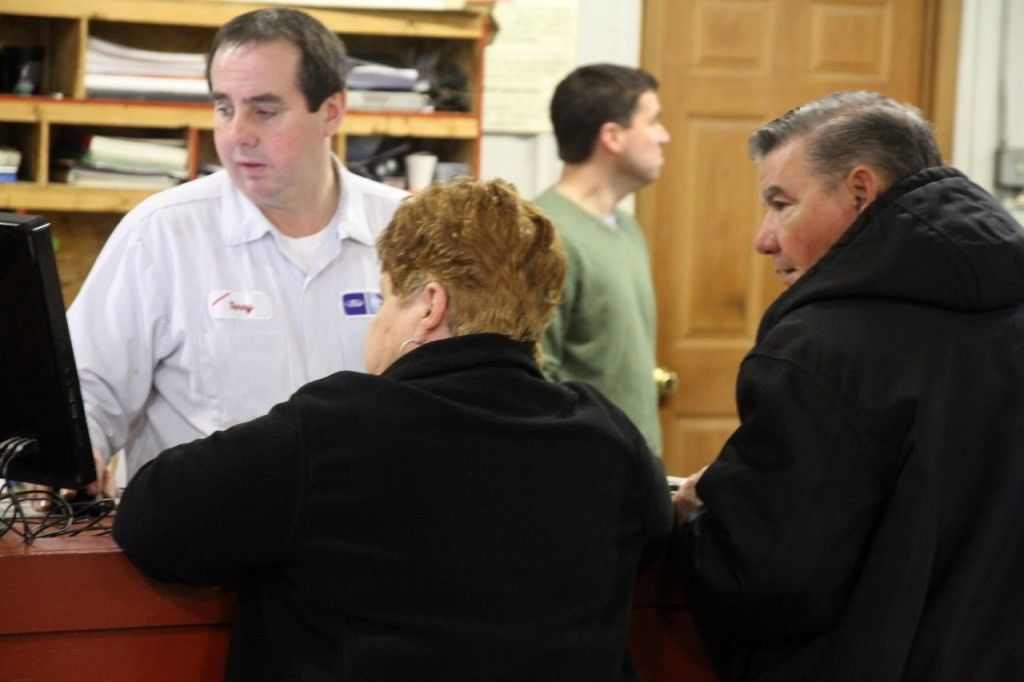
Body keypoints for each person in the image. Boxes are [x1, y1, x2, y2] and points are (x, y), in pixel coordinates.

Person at [112, 177, 674, 680]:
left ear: (430, 305)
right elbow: (652, 539)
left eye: (384, 300)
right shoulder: (607, 438)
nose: (375, 324)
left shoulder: (337, 429)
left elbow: (152, 518)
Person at [671, 91, 1024, 680]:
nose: (764, 238)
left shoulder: (823, 349)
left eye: (781, 204)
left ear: (861, 191)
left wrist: (704, 515)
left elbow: (766, 580)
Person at [66, 8, 407, 485]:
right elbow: (87, 391)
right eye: (224, 108)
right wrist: (74, 464)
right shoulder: (161, 232)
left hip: (361, 543)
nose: (237, 134)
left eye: (264, 111)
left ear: (331, 110)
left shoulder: (407, 229)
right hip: (195, 547)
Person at [536, 63, 670, 456]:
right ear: (612, 135)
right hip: (585, 472)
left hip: (636, 467)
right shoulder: (544, 234)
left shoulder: (627, 227)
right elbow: (538, 376)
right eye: (654, 121)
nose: (665, 136)